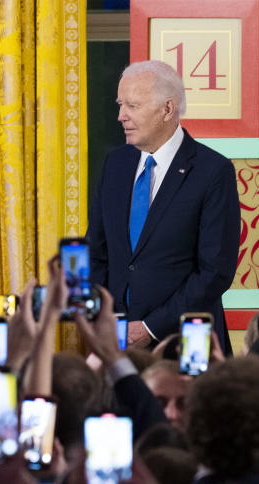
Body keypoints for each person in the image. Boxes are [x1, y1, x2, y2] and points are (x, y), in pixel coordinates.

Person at [86, 59, 239, 351]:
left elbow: (214, 272)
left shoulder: (212, 171)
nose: (121, 116)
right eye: (120, 104)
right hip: (117, 346)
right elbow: (97, 251)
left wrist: (150, 328)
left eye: (132, 106)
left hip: (184, 345)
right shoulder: (115, 164)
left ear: (167, 109)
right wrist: (103, 320)